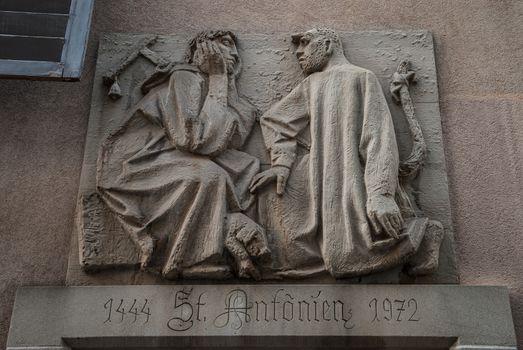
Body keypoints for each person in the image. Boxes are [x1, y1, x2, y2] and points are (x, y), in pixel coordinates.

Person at [250, 28, 434, 278]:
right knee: (273, 205)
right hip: (319, 176)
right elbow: (275, 121)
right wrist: (282, 163)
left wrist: (380, 193)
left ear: (327, 45)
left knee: (347, 254)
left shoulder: (362, 78)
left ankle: (423, 236)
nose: (299, 52)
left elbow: (378, 138)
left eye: (305, 43)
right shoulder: (312, 84)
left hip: (351, 177)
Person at [97, 30, 269, 280]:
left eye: (235, 49)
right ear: (204, 49)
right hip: (139, 161)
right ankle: (191, 259)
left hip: (176, 156)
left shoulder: (217, 86)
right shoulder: (185, 77)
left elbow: (231, 140)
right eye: (225, 45)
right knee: (210, 176)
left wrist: (225, 89)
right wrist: (218, 79)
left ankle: (220, 237)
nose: (232, 53)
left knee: (248, 166)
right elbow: (193, 139)